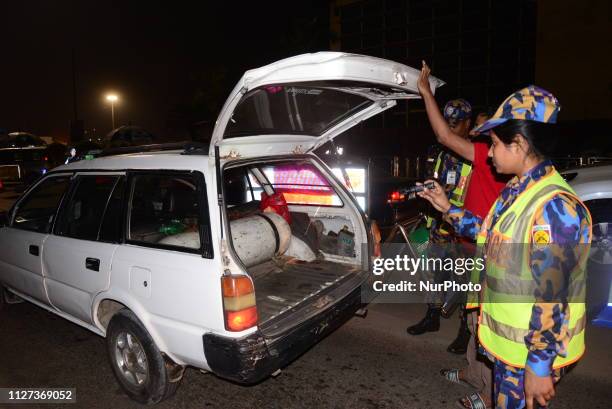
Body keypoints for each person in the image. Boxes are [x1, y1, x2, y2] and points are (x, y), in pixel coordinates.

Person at [416, 85, 591, 409]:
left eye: (495, 144)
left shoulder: (553, 207)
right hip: (511, 347)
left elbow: (554, 291)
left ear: (520, 144)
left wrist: (539, 366)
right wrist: (447, 209)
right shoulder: (518, 190)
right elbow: (490, 235)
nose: (490, 153)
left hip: (530, 353)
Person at [412, 62, 509, 408]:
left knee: (487, 323)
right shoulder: (485, 158)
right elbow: (442, 139)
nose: (487, 143)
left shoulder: (528, 184)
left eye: (493, 136)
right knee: (473, 314)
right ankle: (473, 372)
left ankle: (488, 392)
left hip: (493, 255)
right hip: (470, 243)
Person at [406, 97, 475, 352]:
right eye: (447, 123)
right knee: (432, 271)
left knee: (467, 280)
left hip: (464, 227)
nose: (450, 128)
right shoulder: (437, 152)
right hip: (438, 224)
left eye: (456, 124)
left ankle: (466, 331)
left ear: (468, 123)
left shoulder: (476, 153)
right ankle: (432, 316)